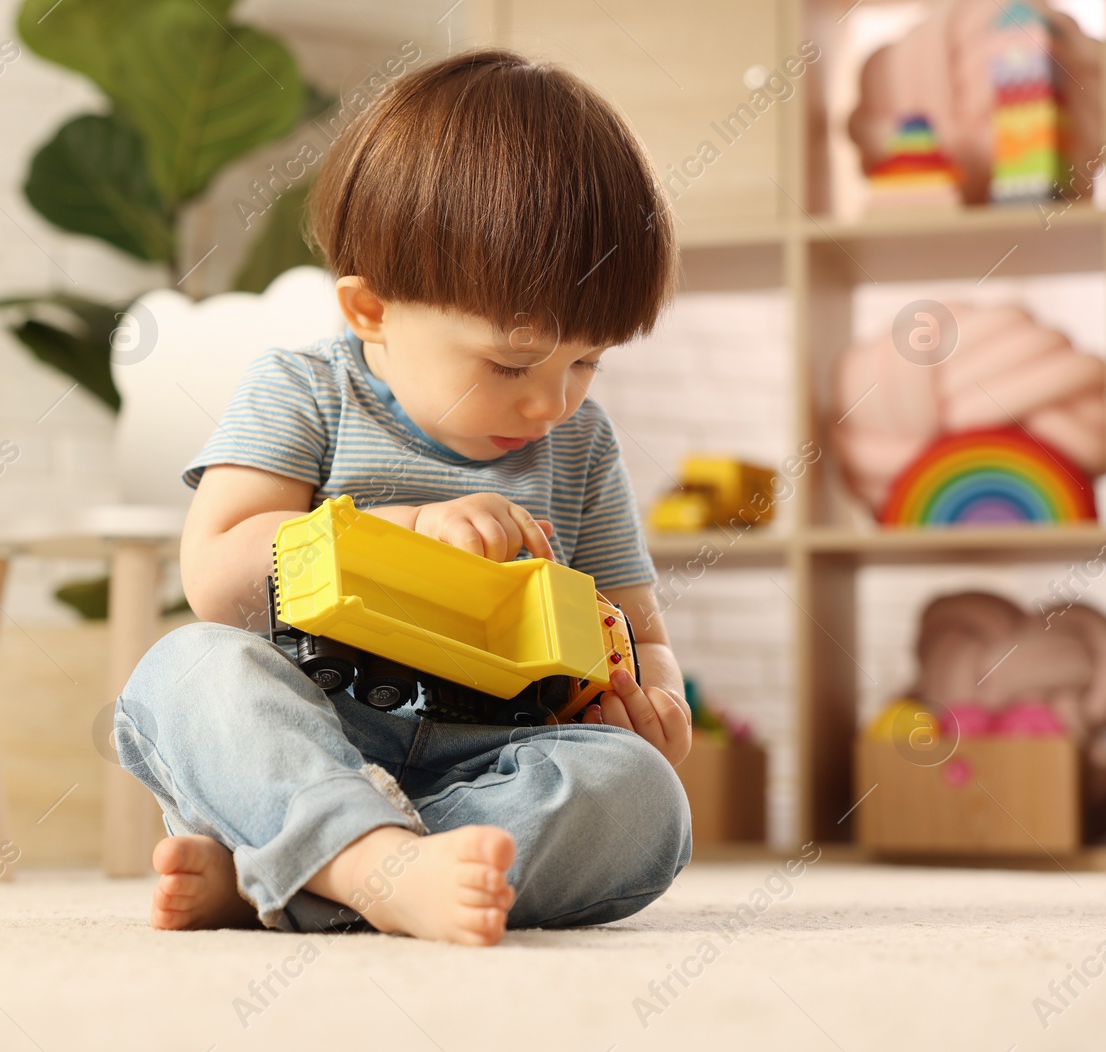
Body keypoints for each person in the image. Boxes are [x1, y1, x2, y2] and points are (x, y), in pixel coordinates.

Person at [113, 47, 692, 947]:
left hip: (489, 762)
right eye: (510, 362)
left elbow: (638, 629)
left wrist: (651, 700)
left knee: (643, 799)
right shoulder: (304, 390)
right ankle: (348, 851)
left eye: (587, 360)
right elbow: (217, 576)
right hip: (313, 743)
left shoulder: (581, 445)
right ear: (371, 310)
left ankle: (311, 876)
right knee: (185, 671)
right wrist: (402, 530)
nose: (552, 401)